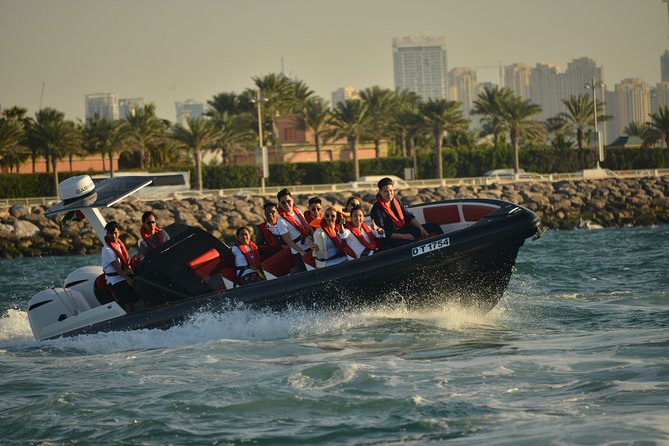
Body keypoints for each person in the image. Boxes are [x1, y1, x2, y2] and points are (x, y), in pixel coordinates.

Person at [370, 177, 443, 248]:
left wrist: (421, 228)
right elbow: (383, 232)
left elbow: (409, 217)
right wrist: (404, 236)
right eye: (386, 191)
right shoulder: (376, 209)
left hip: (405, 229)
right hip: (392, 238)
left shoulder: (397, 201)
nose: (389, 194)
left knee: (435, 226)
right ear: (380, 192)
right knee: (413, 244)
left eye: (391, 190)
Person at [270, 188, 314, 272]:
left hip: (311, 245)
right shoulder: (281, 222)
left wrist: (315, 240)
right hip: (300, 252)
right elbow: (288, 241)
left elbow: (307, 226)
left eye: (288, 201)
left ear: (292, 201)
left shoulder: (297, 211)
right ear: (279, 204)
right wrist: (301, 252)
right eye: (283, 202)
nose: (286, 204)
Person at [102, 221, 140, 312]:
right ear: (107, 234)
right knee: (127, 301)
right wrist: (128, 279)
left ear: (118, 232)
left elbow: (126, 263)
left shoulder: (119, 244)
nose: (114, 236)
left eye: (115, 233)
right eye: (111, 234)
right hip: (115, 280)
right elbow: (117, 268)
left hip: (123, 275)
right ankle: (132, 319)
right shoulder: (107, 250)